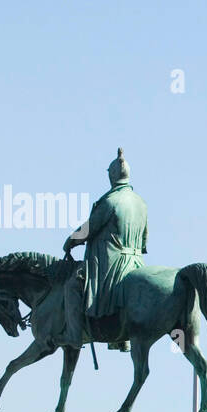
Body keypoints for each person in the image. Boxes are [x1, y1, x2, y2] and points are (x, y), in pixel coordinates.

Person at [61, 148, 149, 351]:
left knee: (72, 286)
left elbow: (89, 229)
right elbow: (144, 242)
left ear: (112, 175)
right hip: (135, 263)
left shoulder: (110, 201)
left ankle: (74, 338)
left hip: (111, 263)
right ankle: (122, 338)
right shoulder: (141, 203)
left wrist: (71, 241)